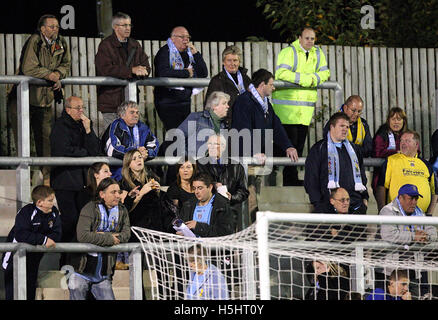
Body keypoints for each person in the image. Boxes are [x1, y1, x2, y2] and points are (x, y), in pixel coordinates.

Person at [7, 14, 71, 185]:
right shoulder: (34, 41)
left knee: (46, 143)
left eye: (57, 26)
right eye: (51, 26)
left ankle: (46, 182)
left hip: (44, 101)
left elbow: (66, 64)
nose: (55, 29)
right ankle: (23, 181)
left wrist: (58, 74)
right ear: (42, 29)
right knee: (23, 142)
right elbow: (28, 67)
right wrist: (49, 75)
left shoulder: (61, 42)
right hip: (22, 101)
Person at [272, 27, 330, 186]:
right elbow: (282, 74)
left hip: (304, 112)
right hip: (286, 110)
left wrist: (312, 79)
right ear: (299, 38)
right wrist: (306, 80)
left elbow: (325, 74)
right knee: (286, 146)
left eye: (312, 38)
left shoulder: (318, 53)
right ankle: (281, 176)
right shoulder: (288, 52)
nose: (310, 41)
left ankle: (289, 179)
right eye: (307, 38)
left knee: (297, 146)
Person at [50, 96, 100, 262]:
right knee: (70, 220)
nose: (81, 111)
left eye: (83, 107)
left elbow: (95, 151)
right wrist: (84, 153)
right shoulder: (60, 126)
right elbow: (62, 150)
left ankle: (78, 259)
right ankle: (64, 258)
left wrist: (88, 131)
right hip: (65, 181)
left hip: (82, 183)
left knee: (83, 222)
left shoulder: (84, 125)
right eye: (78, 108)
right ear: (68, 109)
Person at [68, 178, 130, 300]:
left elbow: (126, 234)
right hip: (80, 270)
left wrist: (98, 236)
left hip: (104, 273)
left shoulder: (122, 210)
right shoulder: (89, 208)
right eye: (113, 192)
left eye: (119, 191)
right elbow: (83, 236)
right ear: (102, 194)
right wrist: (109, 238)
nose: (118, 195)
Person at [95, 12, 151, 134]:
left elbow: (146, 67)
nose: (128, 28)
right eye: (124, 25)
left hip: (130, 101)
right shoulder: (106, 45)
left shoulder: (135, 44)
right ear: (115, 27)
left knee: (130, 138)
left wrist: (142, 71)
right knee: (113, 137)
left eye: (129, 25)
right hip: (111, 101)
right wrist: (131, 71)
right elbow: (105, 69)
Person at [2, 185, 62, 300]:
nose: (52, 203)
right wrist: (44, 240)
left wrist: (45, 240)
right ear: (40, 202)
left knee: (30, 291)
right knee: (13, 292)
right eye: (50, 200)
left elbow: (57, 234)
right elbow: (21, 234)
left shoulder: (54, 212)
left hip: (34, 257)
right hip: (14, 257)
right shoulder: (26, 212)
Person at [378, 184, 437, 298]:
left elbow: (433, 232)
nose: (414, 202)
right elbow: (389, 234)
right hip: (391, 271)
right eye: (411, 198)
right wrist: (414, 236)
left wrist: (426, 237)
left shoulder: (419, 212)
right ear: (400, 198)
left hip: (413, 271)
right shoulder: (388, 210)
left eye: (416, 199)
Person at [304, 112, 369, 214]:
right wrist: (318, 205)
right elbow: (311, 179)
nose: (345, 129)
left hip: (355, 207)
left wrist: (364, 200)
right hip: (327, 208)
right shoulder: (319, 148)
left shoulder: (354, 149)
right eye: (341, 126)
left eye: (347, 127)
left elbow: (362, 175)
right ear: (332, 127)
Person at [153, 26, 208, 132]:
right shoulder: (164, 52)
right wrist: (186, 73)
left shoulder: (189, 54)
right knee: (175, 135)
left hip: (184, 101)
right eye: (182, 37)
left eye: (188, 37)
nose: (186, 40)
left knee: (184, 136)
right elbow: (162, 72)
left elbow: (203, 73)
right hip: (167, 102)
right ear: (172, 38)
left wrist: (196, 54)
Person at [376, 130, 437, 214]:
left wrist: (429, 213)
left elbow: (434, 191)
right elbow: (381, 186)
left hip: (421, 216)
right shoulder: (391, 160)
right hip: (396, 215)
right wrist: (382, 210)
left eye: (407, 141)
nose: (403, 143)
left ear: (416, 144)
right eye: (401, 140)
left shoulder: (426, 165)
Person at [197, 134, 249, 231]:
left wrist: (231, 197)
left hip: (228, 212)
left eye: (216, 144)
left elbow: (243, 191)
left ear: (223, 147)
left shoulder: (236, 167)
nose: (212, 147)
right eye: (210, 144)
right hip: (205, 211)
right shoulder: (199, 164)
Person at [102, 100, 159, 180]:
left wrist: (146, 153)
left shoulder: (142, 127)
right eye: (132, 112)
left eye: (137, 112)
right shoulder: (115, 126)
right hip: (119, 174)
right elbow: (112, 149)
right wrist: (135, 153)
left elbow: (153, 144)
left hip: (141, 172)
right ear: (122, 115)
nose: (135, 115)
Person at [120, 149, 169, 239]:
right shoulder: (123, 184)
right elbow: (125, 211)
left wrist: (158, 192)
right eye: (134, 159)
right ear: (128, 165)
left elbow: (159, 205)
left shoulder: (152, 178)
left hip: (156, 229)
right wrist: (142, 192)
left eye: (140, 157)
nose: (138, 160)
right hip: (137, 231)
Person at [204, 45, 251, 127]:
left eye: (235, 60)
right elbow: (209, 108)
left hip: (246, 124)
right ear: (223, 62)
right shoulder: (217, 81)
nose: (232, 64)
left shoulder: (246, 79)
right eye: (229, 60)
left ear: (239, 62)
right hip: (227, 127)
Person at [176, 91, 230, 159]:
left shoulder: (225, 124)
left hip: (215, 166)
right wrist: (187, 159)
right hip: (196, 165)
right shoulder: (196, 118)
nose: (228, 106)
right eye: (224, 103)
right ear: (214, 106)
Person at [178, 172, 234, 237]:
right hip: (192, 246)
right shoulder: (188, 205)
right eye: (194, 188)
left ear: (210, 187)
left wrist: (198, 227)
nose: (196, 192)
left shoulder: (222, 205)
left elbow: (225, 232)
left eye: (200, 188)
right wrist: (182, 233)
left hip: (213, 246)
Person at [372, 107, 408, 195]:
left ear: (404, 121)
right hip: (382, 179)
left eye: (399, 119)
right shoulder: (382, 134)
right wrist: (396, 153)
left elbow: (416, 150)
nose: (396, 122)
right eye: (393, 119)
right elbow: (377, 152)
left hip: (403, 177)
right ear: (388, 120)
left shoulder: (408, 135)